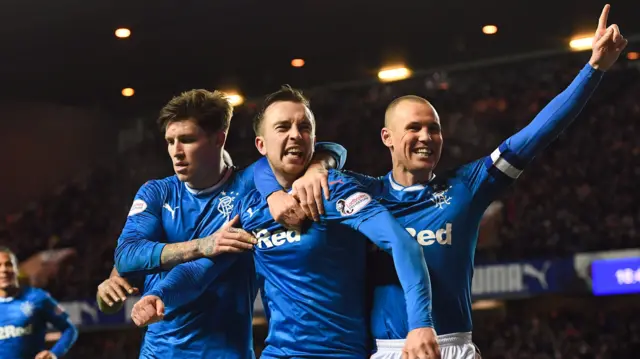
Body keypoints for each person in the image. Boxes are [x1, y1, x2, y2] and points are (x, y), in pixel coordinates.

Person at [254, 5, 628, 359]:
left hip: (449, 345)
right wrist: (311, 169)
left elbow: (536, 135)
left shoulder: (467, 186)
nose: (426, 137)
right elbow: (267, 165)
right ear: (387, 137)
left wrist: (593, 69)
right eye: (413, 128)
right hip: (385, 349)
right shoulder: (361, 193)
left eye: (434, 129)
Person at [131, 85, 441, 359]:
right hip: (278, 352)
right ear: (261, 146)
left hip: (338, 353)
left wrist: (421, 324)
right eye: (283, 127)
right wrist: (159, 294)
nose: (295, 134)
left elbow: (402, 244)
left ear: (314, 139)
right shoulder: (250, 207)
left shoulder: (335, 190)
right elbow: (203, 267)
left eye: (304, 127)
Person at [108, 89, 346, 359]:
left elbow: (329, 149)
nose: (176, 151)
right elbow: (127, 256)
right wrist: (203, 245)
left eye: (187, 140)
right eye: (170, 141)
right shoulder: (156, 192)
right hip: (159, 350)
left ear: (219, 139)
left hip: (226, 352)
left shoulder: (251, 185)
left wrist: (316, 169)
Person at [0, 247, 78, 359]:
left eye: (8, 264)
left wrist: (54, 353)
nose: (4, 270)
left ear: (16, 268)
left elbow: (69, 329)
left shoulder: (37, 297)